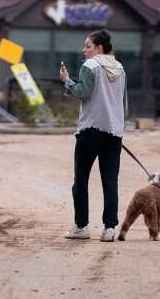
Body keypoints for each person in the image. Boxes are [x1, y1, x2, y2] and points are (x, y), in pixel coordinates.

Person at [59, 29, 128, 242]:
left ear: (99, 48)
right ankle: (109, 229)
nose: (84, 50)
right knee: (110, 182)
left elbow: (82, 92)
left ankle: (81, 226)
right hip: (114, 133)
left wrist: (67, 81)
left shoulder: (91, 66)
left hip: (90, 130)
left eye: (88, 46)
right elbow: (123, 103)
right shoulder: (120, 68)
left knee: (81, 179)